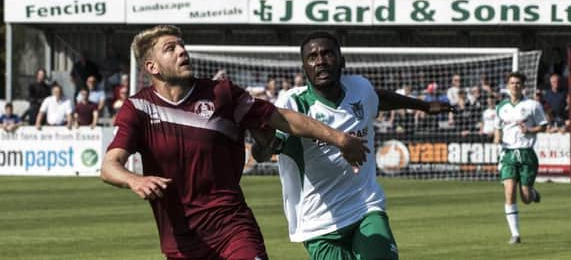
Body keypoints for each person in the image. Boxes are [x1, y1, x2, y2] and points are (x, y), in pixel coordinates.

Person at [100, 25, 367, 260]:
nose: (182, 51)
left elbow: (283, 118)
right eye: (171, 48)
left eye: (182, 45)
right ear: (152, 67)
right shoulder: (138, 108)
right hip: (180, 241)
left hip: (233, 228)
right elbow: (109, 166)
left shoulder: (221, 93)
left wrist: (340, 139)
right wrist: (134, 180)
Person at [251, 32, 452, 260]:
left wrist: (424, 106)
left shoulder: (360, 88)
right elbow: (264, 152)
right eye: (312, 57)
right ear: (304, 67)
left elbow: (379, 98)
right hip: (319, 222)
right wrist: (261, 142)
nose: (320, 61)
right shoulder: (293, 104)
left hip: (365, 206)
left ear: (342, 59)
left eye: (327, 54)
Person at [493, 71, 547, 245]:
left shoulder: (533, 105)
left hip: (526, 153)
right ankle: (515, 235)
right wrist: (497, 137)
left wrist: (530, 130)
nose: (514, 85)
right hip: (508, 153)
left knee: (525, 197)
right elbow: (498, 127)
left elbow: (543, 126)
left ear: (523, 86)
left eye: (518, 83)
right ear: (508, 86)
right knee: (509, 193)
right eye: (512, 83)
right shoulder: (501, 106)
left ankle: (532, 192)